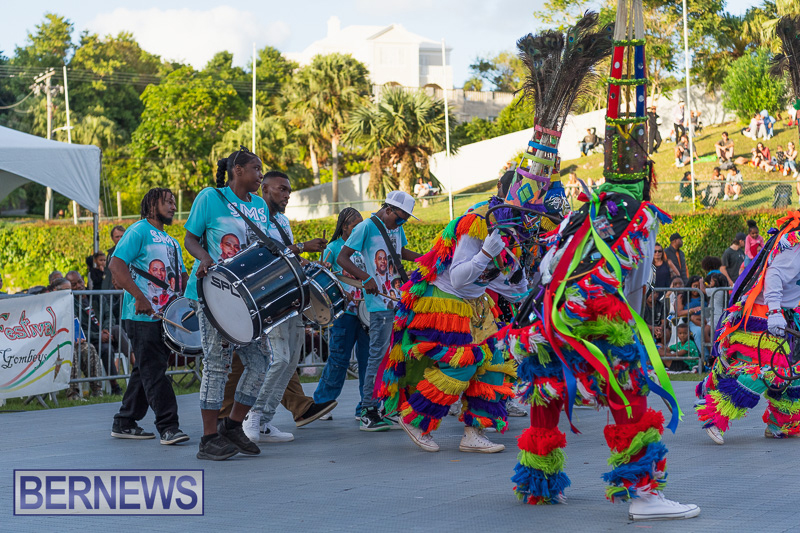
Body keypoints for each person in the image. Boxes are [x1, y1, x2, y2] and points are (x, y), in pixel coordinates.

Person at [380, 193, 525, 452]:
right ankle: (415, 418)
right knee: (462, 365)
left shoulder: (512, 239)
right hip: (444, 303)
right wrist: (484, 253)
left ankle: (473, 434)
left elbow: (514, 291)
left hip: (476, 307)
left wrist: (521, 274)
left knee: (494, 364)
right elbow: (458, 278)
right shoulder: (476, 225)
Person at [183, 147, 271, 461]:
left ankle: (232, 426)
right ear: (237, 170)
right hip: (213, 295)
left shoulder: (260, 206)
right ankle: (208, 439)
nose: (261, 176)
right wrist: (204, 257)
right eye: (256, 169)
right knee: (217, 365)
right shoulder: (210, 198)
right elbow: (190, 238)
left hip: (246, 299)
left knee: (261, 362)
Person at [241, 170, 335, 443]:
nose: (287, 194)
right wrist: (302, 246)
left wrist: (308, 263)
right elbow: (263, 256)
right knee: (279, 358)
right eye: (281, 189)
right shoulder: (254, 219)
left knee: (291, 360)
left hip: (289, 296)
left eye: (289, 190)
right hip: (266, 299)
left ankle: (265, 421)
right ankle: (253, 416)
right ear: (266, 190)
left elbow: (287, 258)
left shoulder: (282, 220)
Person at [697, 210, 800, 444]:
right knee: (769, 369)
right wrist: (774, 312)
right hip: (765, 313)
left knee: (793, 371)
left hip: (787, 313)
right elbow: (774, 274)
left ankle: (779, 424)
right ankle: (717, 415)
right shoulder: (796, 244)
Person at [108, 188, 189, 446]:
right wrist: (141, 298)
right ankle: (168, 426)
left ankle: (125, 421)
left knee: (145, 369)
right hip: (140, 315)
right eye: (168, 202)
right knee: (154, 371)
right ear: (152, 204)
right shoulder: (138, 231)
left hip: (165, 317)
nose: (173, 207)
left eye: (174, 202)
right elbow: (116, 265)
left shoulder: (172, 241)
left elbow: (182, 279)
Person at [338, 191, 421, 430]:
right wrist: (365, 278)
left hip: (397, 299)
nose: (402, 223)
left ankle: (387, 405)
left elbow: (401, 253)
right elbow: (344, 258)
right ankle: (368, 410)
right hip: (379, 302)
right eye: (401, 218)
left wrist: (426, 258)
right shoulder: (365, 227)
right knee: (377, 354)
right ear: (388, 210)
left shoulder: (396, 227)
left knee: (395, 354)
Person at [313, 208, 370, 420]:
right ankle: (322, 404)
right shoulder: (333, 247)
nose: (359, 229)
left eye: (361, 225)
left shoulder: (366, 247)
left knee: (368, 361)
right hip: (344, 313)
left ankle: (366, 406)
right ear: (344, 227)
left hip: (366, 313)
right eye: (355, 226)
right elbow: (322, 274)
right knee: (338, 359)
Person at [64, 271, 107, 400]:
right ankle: (73, 394)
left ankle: (97, 390)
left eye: (79, 282)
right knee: (70, 352)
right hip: (59, 345)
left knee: (89, 348)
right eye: (73, 285)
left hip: (76, 340)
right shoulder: (55, 303)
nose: (77, 286)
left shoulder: (88, 298)